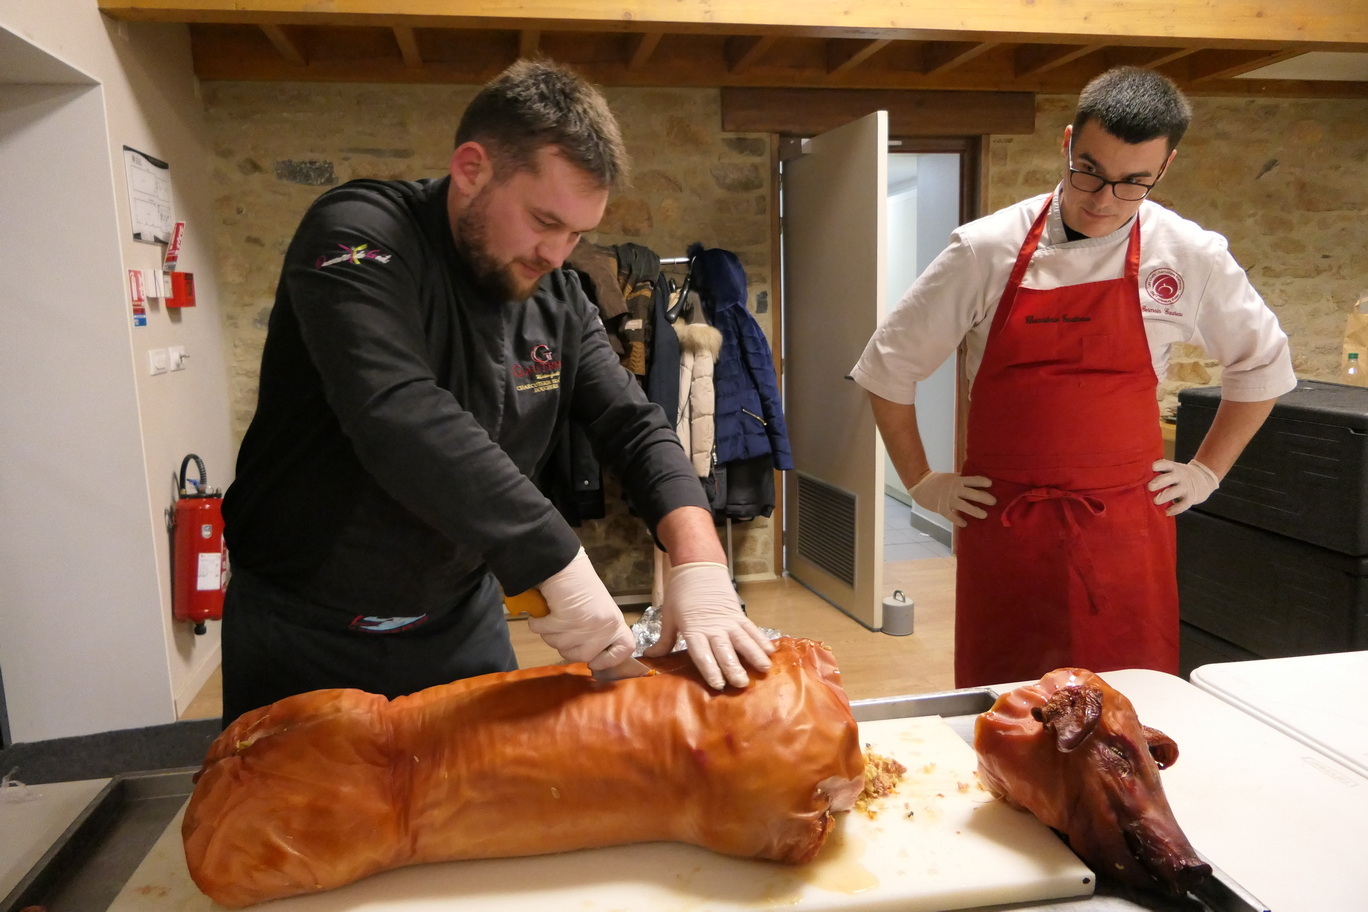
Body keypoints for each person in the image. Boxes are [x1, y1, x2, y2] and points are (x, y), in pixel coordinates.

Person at [220, 59, 773, 724]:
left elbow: (632, 424)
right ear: (471, 169)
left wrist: (700, 559)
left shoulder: (557, 294)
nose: (557, 255)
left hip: (458, 621)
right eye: (543, 220)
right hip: (303, 628)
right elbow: (398, 412)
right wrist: (557, 560)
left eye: (577, 234)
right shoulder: (358, 236)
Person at [851, 66, 1296, 688]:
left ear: (1164, 168)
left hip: (1125, 525)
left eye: (1133, 182)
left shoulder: (1190, 255)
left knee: (1128, 696)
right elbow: (888, 366)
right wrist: (922, 482)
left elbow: (1263, 364)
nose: (1103, 200)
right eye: (1088, 171)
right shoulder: (985, 249)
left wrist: (1205, 472)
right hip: (1006, 521)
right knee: (1008, 695)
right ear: (1067, 143)